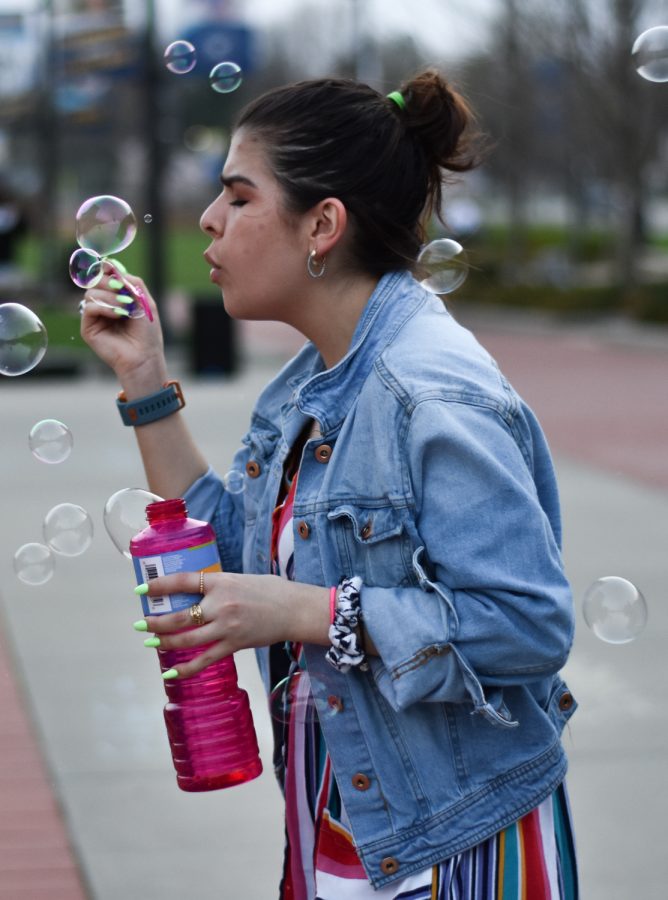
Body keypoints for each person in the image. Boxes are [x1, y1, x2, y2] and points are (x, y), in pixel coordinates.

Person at [80, 70, 579, 899]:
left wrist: (308, 614)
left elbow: (527, 625)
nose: (208, 219)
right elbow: (236, 558)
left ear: (322, 224)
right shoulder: (314, 384)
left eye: (238, 198)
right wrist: (144, 378)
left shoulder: (430, 392)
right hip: (348, 817)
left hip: (456, 839)